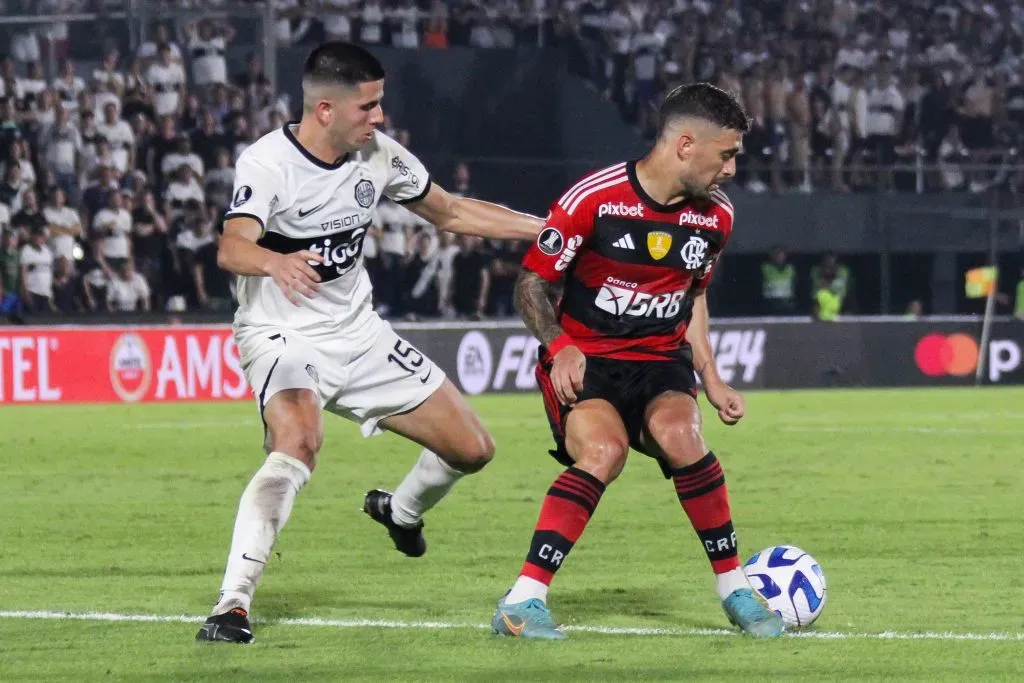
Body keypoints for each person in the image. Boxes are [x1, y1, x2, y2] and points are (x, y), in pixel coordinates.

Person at [196, 41, 542, 644]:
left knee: (473, 448)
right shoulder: (268, 162)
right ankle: (233, 605)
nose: (379, 116)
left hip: (360, 334)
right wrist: (274, 262)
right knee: (298, 441)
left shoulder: (377, 154)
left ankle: (399, 511)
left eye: (380, 103)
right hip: (284, 334)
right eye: (368, 106)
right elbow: (232, 245)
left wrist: (551, 230)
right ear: (325, 109)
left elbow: (451, 212)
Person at [490, 83, 784, 640]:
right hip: (588, 361)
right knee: (604, 451)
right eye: (726, 155)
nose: (731, 169)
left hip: (661, 360)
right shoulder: (594, 200)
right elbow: (531, 283)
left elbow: (694, 296)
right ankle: (522, 601)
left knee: (684, 436)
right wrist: (559, 346)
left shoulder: (716, 217)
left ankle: (735, 589)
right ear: (685, 145)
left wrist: (712, 376)